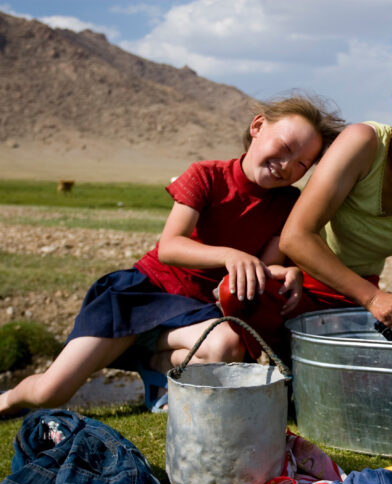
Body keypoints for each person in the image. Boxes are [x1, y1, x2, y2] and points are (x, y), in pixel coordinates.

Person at [0, 95, 345, 416]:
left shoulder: (286, 203)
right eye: (284, 147)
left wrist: (288, 273)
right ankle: (8, 399)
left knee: (225, 345)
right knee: (51, 393)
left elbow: (265, 265)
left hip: (194, 313)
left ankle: (155, 371)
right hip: (142, 296)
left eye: (302, 163)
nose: (286, 165)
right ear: (257, 128)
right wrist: (230, 255)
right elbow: (170, 247)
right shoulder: (206, 176)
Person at [221, 64, 392, 350]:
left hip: (356, 303)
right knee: (238, 293)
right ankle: (279, 362)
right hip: (300, 289)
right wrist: (373, 298)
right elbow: (295, 237)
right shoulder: (363, 144)